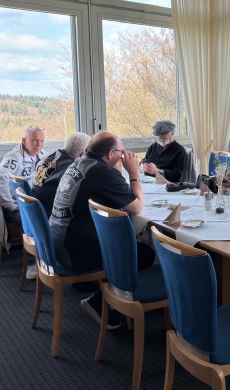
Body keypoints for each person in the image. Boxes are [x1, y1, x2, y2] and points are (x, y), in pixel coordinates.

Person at [50, 131, 155, 330]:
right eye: (121, 151)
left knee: (130, 243)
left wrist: (117, 171)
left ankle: (113, 293)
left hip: (55, 241)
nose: (123, 155)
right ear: (110, 154)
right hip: (73, 252)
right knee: (144, 253)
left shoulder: (80, 162)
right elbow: (136, 207)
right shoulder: (102, 172)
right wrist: (134, 174)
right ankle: (100, 301)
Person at [0, 125, 47, 226]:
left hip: (32, 202)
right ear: (24, 141)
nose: (39, 144)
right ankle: (28, 237)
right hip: (14, 205)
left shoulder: (44, 155)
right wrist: (11, 205)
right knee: (31, 221)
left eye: (42, 141)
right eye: (34, 140)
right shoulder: (14, 157)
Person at [33, 132, 91, 217]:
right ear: (82, 154)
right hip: (51, 216)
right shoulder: (71, 170)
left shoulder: (51, 157)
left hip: (36, 212)